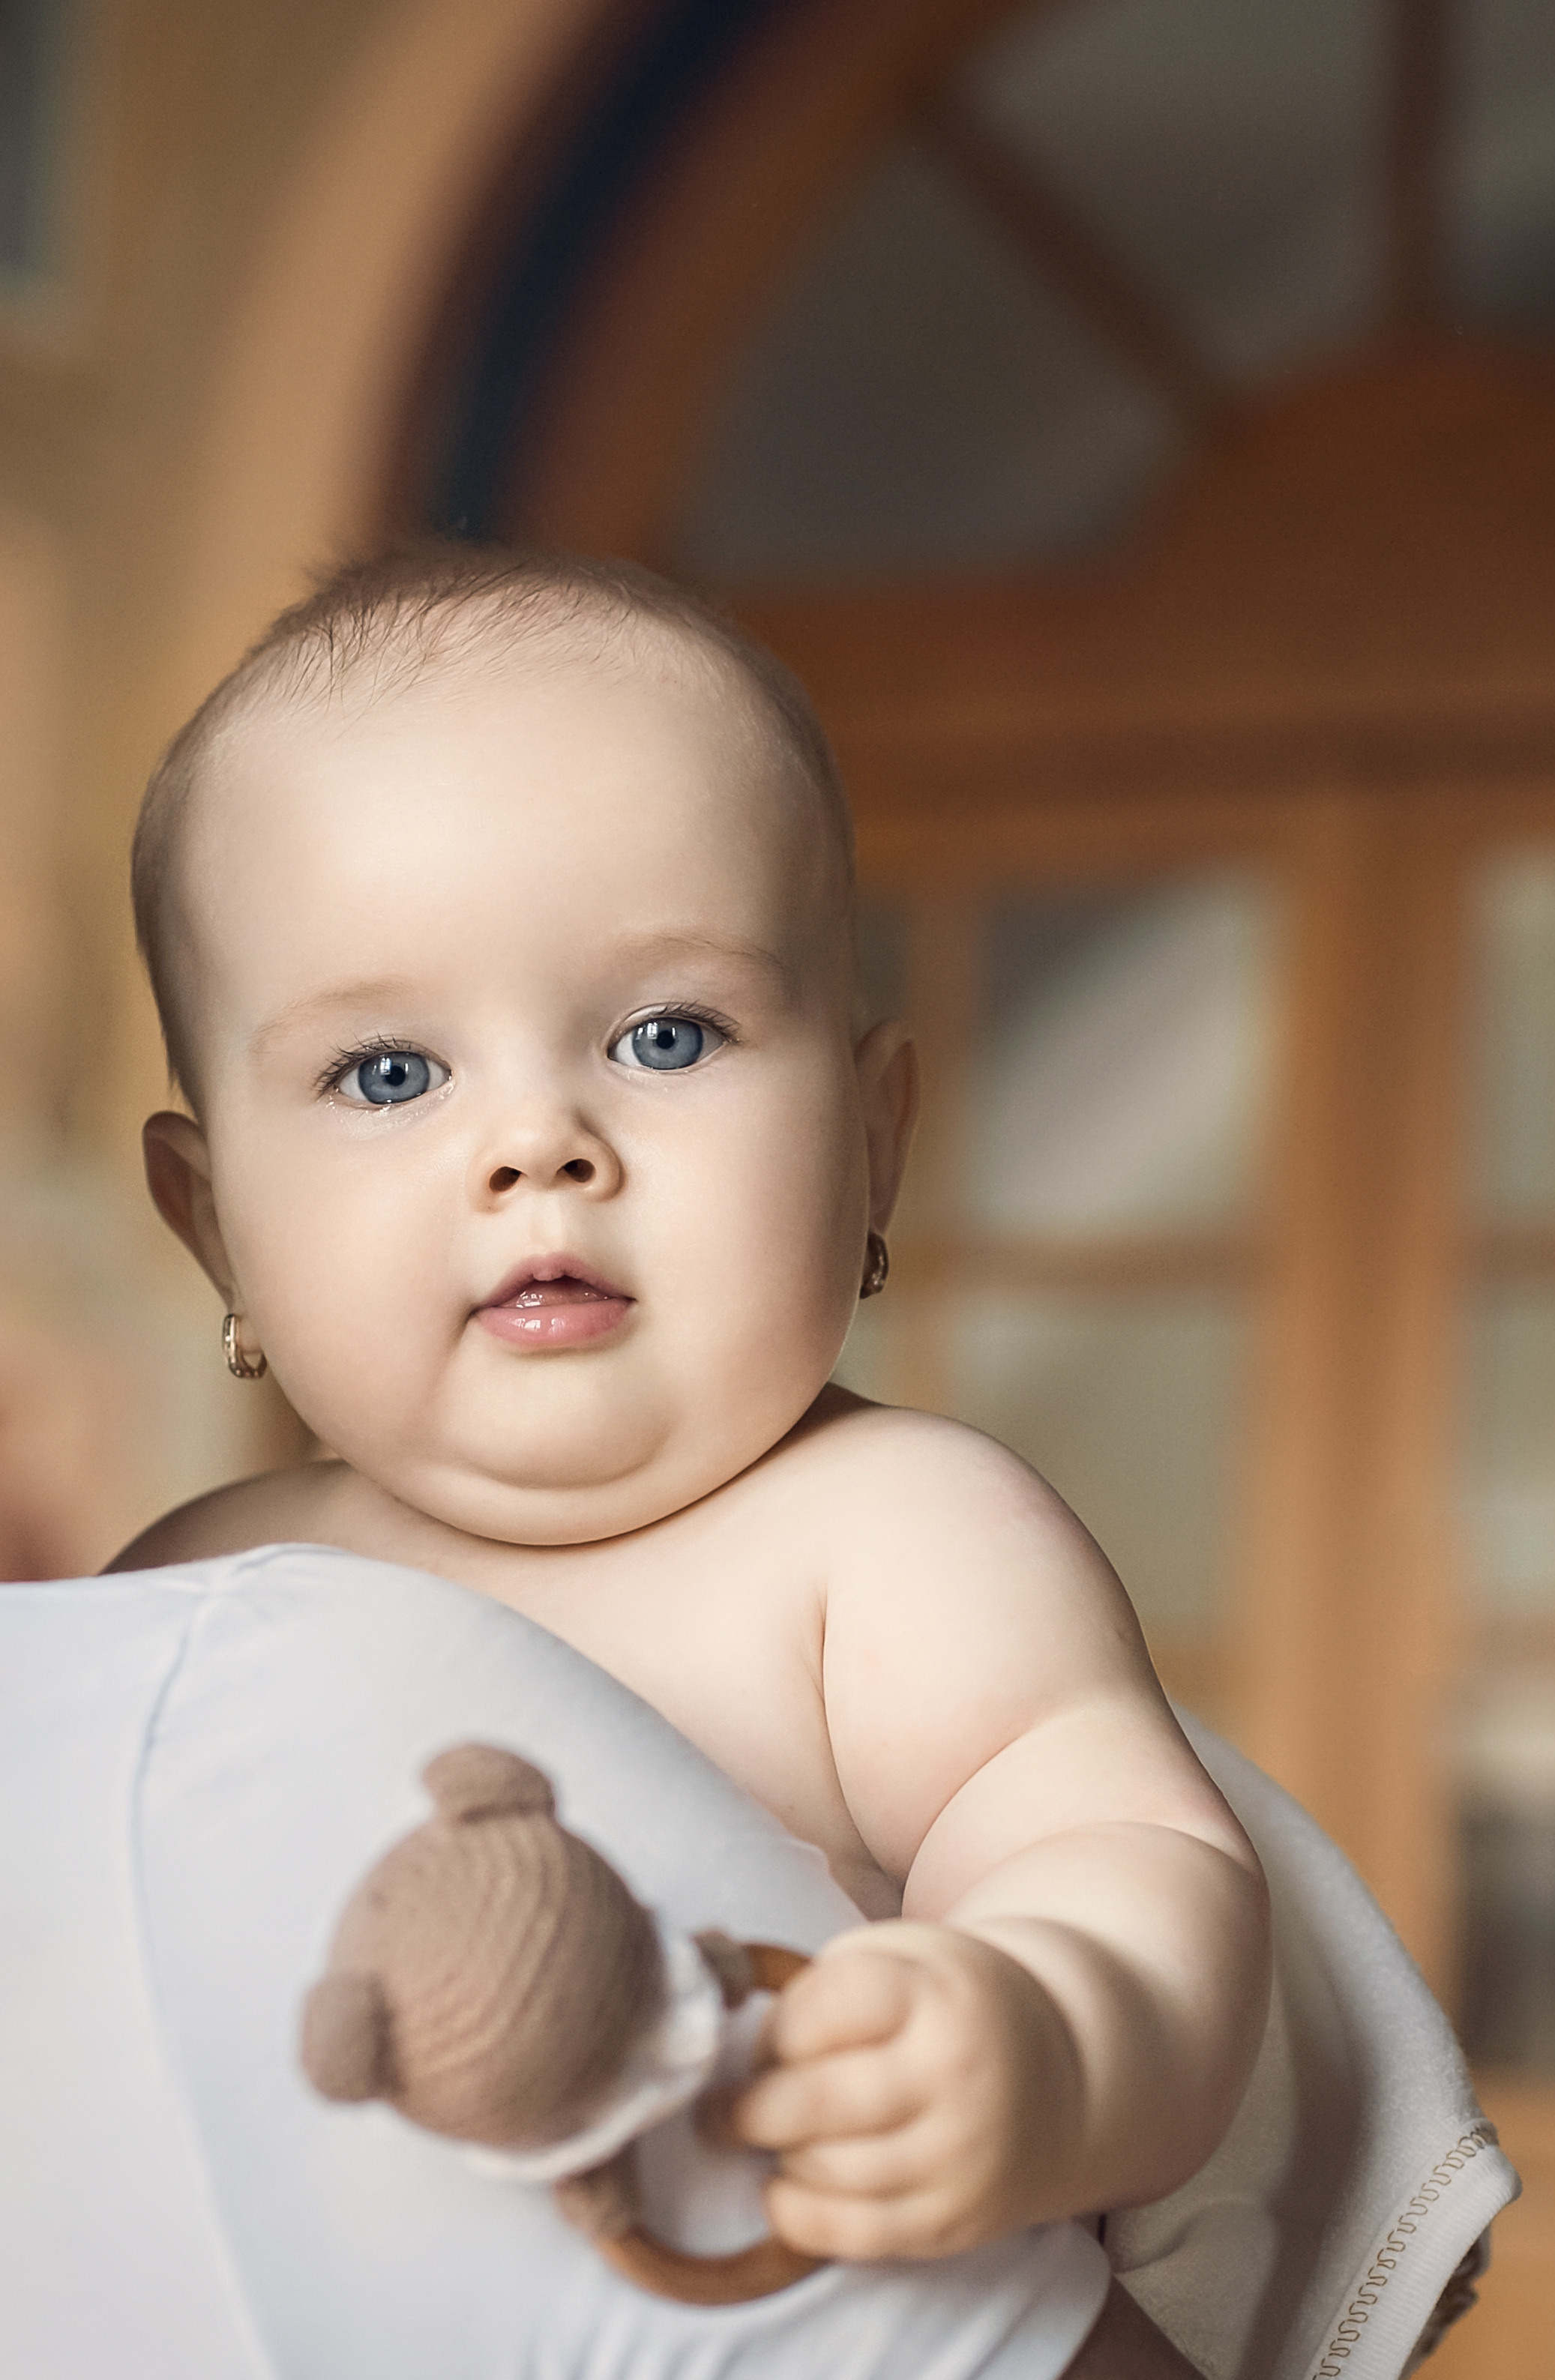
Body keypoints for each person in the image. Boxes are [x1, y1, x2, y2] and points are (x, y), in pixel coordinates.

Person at [110, 546, 1269, 2378]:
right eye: (389, 1072)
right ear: (215, 1230)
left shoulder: (885, 1542)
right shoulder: (185, 1591)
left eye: (668, 1035)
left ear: (875, 1141)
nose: (539, 1143)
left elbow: (1130, 1856)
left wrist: (1039, 2031)